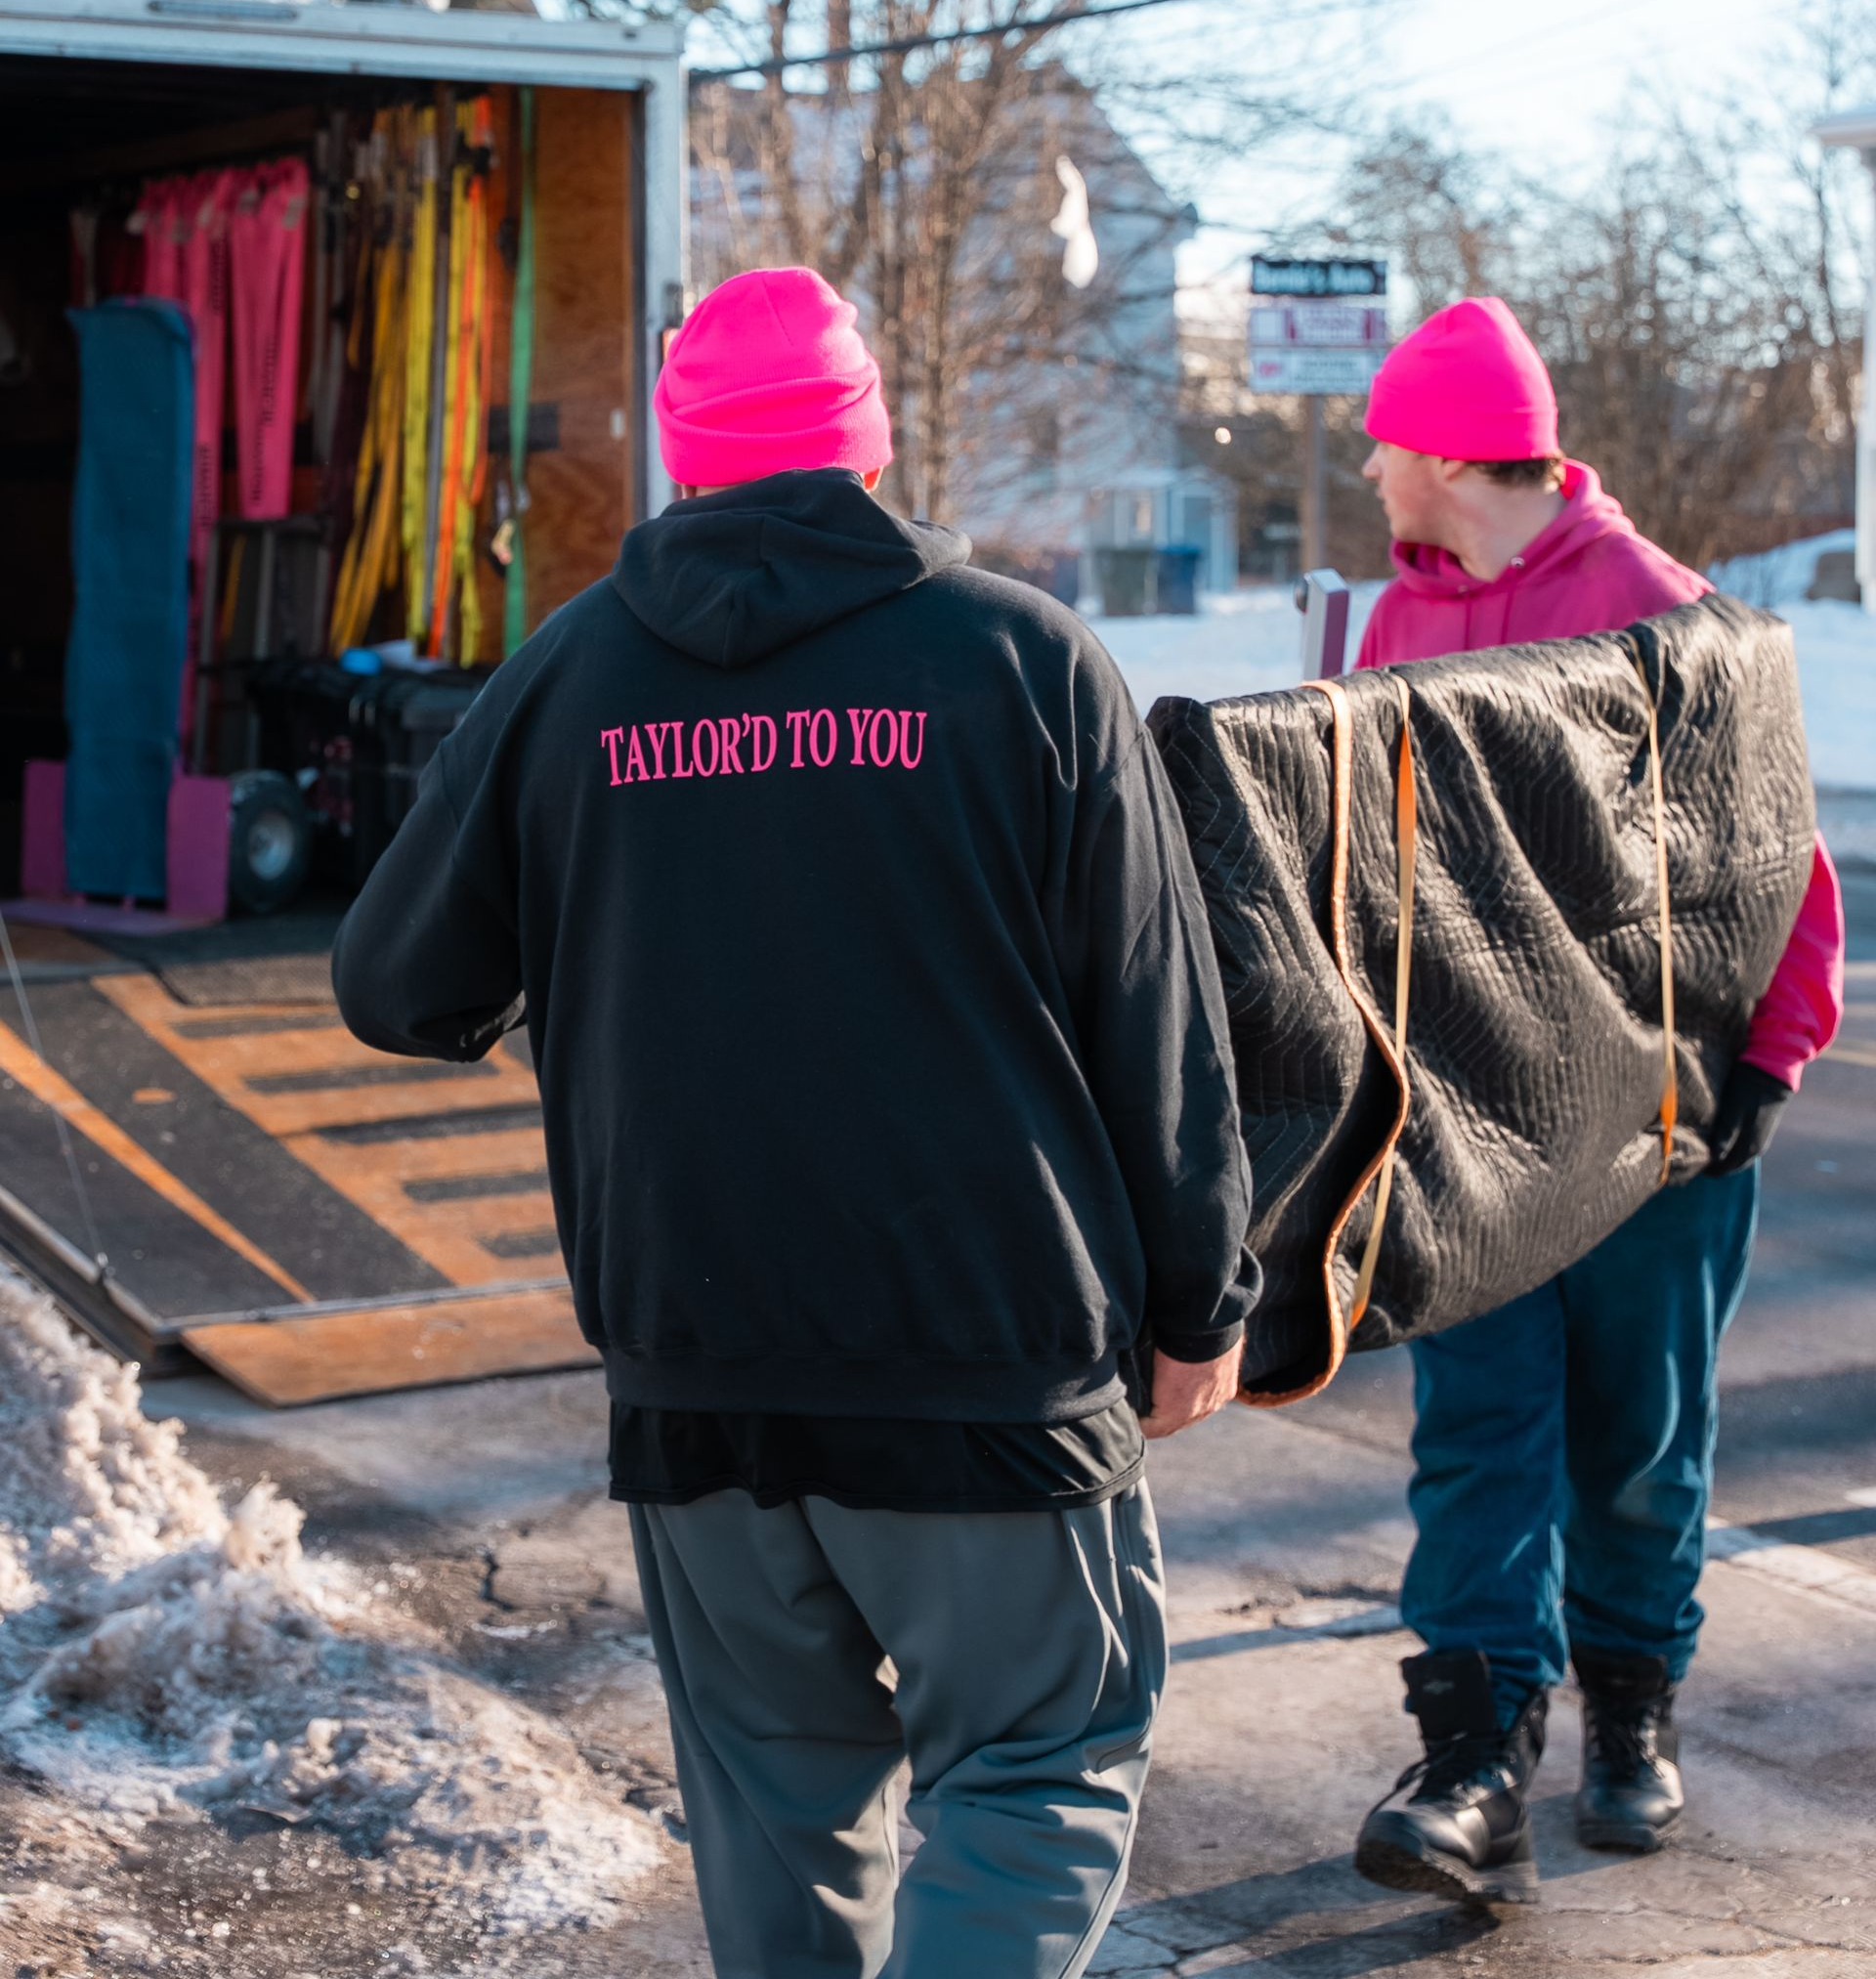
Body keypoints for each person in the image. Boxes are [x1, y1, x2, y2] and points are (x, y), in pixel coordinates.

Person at [331, 266, 1258, 1978]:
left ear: (684, 449)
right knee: (1039, 1766)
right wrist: (1204, 1302)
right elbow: (1160, 1018)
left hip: (698, 1370)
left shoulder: (568, 677)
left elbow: (396, 987)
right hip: (983, 1358)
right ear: (869, 434)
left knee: (777, 1807)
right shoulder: (1018, 658)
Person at [1346, 296, 1846, 1906]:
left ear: (1441, 454)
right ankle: (1475, 1756)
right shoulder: (1397, 625)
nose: (1366, 467)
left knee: (1638, 1440)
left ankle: (1634, 1712)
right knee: (1477, 1426)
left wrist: (1770, 1056)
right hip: (1475, 1122)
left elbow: (1790, 860)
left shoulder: (1655, 608)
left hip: (1655, 1116)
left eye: (1382, 441)